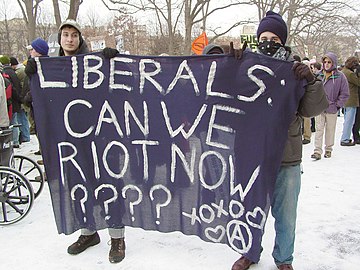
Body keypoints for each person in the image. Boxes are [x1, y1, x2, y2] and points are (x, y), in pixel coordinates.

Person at [231, 11, 328, 270]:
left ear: (282, 41)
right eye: (264, 37)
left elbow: (313, 109)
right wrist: (222, 59)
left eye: (274, 37)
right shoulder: (245, 66)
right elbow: (221, 93)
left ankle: (284, 259)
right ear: (257, 39)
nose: (268, 41)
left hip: (287, 157)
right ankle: (249, 252)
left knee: (286, 216)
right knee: (250, 209)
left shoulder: (295, 70)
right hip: (253, 154)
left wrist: (311, 80)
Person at [26, 19, 125, 264]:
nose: (69, 39)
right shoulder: (49, 68)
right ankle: (88, 233)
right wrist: (32, 80)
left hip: (100, 136)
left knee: (107, 185)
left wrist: (114, 61)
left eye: (74, 35)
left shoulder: (95, 64)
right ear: (59, 40)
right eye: (65, 35)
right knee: (78, 185)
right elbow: (33, 101)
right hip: (69, 139)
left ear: (80, 39)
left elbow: (117, 90)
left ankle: (117, 237)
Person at [311, 52, 349, 160]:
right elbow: (312, 90)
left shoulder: (340, 76)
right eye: (325, 62)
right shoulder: (318, 75)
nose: (326, 64)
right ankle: (317, 151)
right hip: (319, 108)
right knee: (319, 129)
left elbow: (345, 93)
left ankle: (328, 149)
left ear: (333, 63)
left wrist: (338, 105)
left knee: (330, 130)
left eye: (329, 62)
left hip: (332, 108)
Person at [0, 55, 23, 147]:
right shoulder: (11, 73)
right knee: (15, 121)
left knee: (14, 121)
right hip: (11, 103)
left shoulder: (6, 76)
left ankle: (15, 141)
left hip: (9, 104)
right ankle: (15, 141)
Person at [9, 56, 31, 144]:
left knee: (21, 117)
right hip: (22, 97)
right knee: (23, 117)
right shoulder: (18, 71)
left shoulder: (19, 72)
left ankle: (25, 136)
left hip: (21, 98)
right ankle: (26, 135)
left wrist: (21, 98)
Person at [339, 56, 360, 146]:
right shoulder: (350, 74)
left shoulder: (343, 71)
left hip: (345, 99)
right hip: (351, 99)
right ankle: (345, 139)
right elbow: (358, 82)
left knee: (347, 120)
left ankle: (345, 137)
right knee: (350, 121)